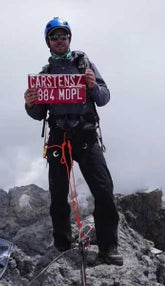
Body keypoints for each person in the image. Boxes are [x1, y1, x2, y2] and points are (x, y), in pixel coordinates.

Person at [24, 17, 123, 266]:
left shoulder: (84, 64)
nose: (60, 40)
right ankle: (62, 244)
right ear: (48, 42)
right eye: (54, 36)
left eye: (63, 36)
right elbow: (38, 115)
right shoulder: (45, 75)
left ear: (69, 39)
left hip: (86, 134)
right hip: (58, 136)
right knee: (58, 194)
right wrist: (30, 103)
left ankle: (108, 246)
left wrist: (92, 87)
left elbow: (104, 97)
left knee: (103, 189)